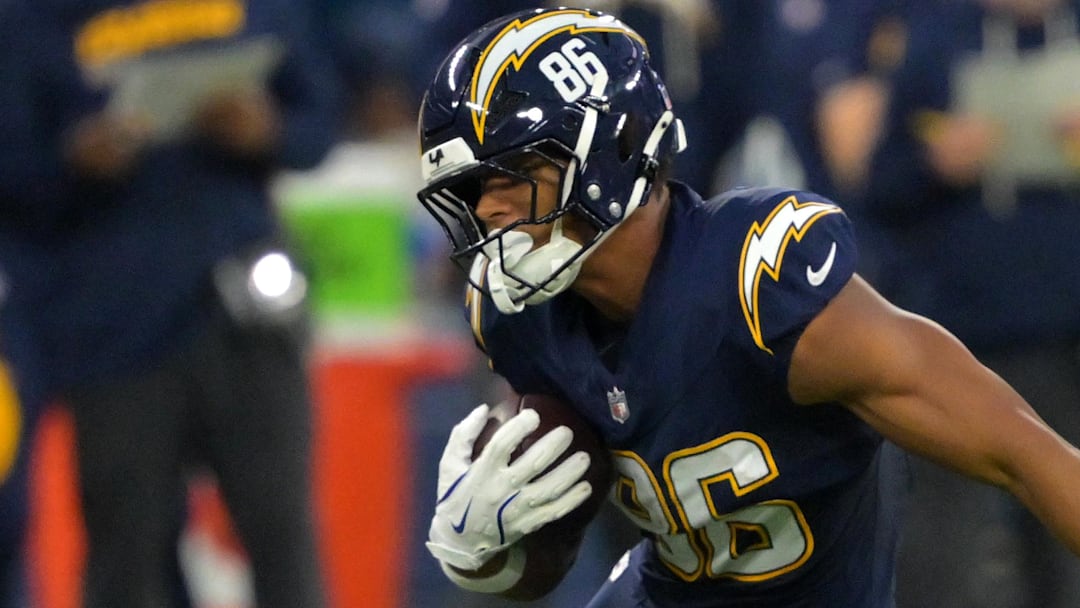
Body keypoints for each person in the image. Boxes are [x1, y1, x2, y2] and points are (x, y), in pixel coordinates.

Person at [413, 7, 1080, 606]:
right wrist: (485, 554)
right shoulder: (521, 317)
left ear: (613, 150)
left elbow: (1022, 451)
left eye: (511, 177)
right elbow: (540, 564)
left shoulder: (759, 288)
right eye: (472, 190)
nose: (487, 210)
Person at [0, 0, 343, 606]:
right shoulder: (31, 19)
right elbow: (14, 172)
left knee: (281, 532)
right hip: (110, 321)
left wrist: (268, 130)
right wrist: (73, 161)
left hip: (242, 308)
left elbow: (318, 120)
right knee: (128, 553)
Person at [860, 1, 1080, 606]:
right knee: (943, 544)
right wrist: (933, 162)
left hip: (1069, 337)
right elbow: (879, 186)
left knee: (1064, 543)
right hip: (962, 339)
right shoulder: (936, 39)